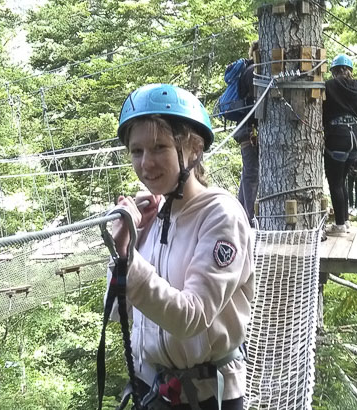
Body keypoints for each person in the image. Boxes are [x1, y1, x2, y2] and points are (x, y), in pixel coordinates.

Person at [108, 83, 255, 410]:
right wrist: (123, 248)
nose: (146, 163)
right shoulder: (153, 216)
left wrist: (129, 261)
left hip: (208, 398)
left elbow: (192, 316)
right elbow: (120, 312)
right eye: (137, 150)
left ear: (194, 148)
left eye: (159, 147)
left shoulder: (221, 216)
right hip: (154, 389)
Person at [322, 54, 357, 235]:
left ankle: (340, 225)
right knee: (342, 180)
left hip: (337, 137)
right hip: (354, 138)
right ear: (350, 70)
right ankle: (346, 221)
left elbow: (321, 113)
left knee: (335, 182)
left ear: (334, 71)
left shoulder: (328, 86)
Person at [234, 40, 259, 227]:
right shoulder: (253, 72)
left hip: (245, 128)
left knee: (247, 172)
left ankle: (240, 212)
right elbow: (257, 102)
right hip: (249, 129)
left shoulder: (248, 70)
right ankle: (249, 219)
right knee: (252, 174)